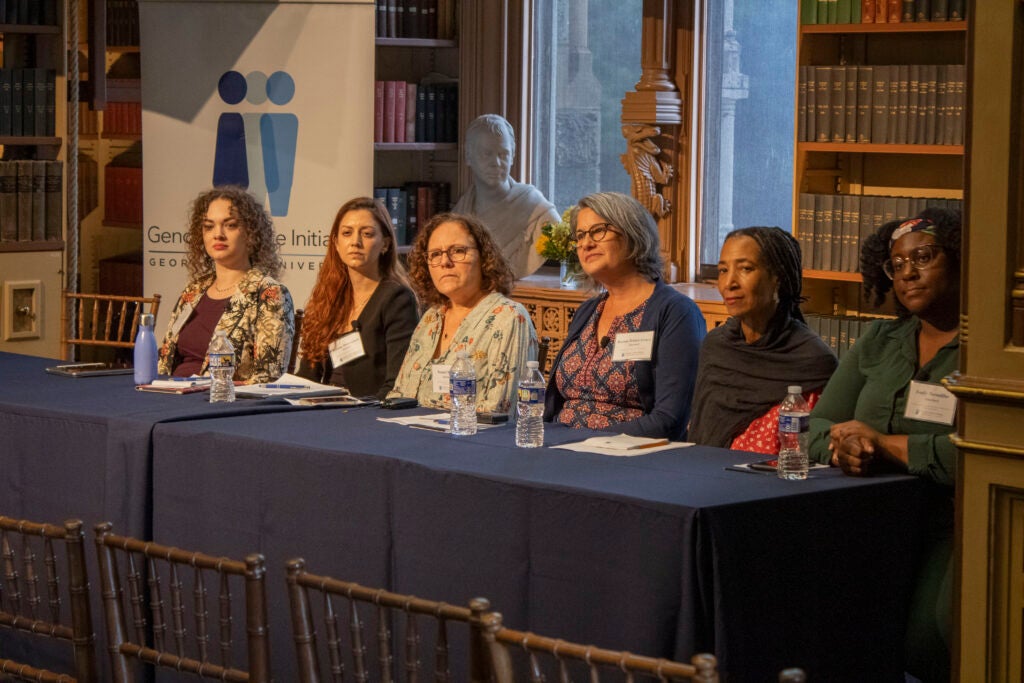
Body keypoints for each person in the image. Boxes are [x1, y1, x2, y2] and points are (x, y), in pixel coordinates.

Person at [808, 207, 962, 683]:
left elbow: (979, 454)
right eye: (896, 265)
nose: (908, 273)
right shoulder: (878, 339)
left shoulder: (997, 350)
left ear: (960, 260)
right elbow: (815, 427)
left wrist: (889, 446)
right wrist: (844, 449)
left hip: (950, 521)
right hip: (866, 514)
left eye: (924, 257)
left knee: (928, 635)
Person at [543, 192, 706, 440]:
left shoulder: (675, 312)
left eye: (598, 231)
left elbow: (669, 419)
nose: (586, 243)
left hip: (628, 458)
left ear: (633, 233)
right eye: (580, 235)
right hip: (560, 446)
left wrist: (584, 441)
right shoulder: (589, 310)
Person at [688, 226, 837, 452]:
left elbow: (816, 447)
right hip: (708, 475)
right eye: (722, 270)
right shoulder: (716, 346)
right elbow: (701, 434)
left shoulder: (812, 359)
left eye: (745, 269)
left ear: (778, 277)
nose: (729, 283)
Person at [387, 212, 537, 413]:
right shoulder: (432, 317)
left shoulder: (509, 317)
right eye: (435, 254)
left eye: (458, 251)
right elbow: (399, 395)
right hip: (409, 436)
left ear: (484, 257)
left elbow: (499, 412)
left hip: (471, 440)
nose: (445, 262)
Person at [158, 186, 295, 383]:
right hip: (171, 394)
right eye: (209, 226)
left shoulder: (269, 293)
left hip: (223, 403)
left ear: (251, 233)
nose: (218, 234)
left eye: (230, 225)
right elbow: (165, 359)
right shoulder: (194, 290)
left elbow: (269, 377)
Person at [294, 197, 419, 398]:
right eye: (346, 233)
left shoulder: (396, 298)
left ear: (385, 244)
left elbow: (397, 383)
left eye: (367, 234)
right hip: (321, 412)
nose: (355, 242)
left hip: (366, 415)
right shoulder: (328, 297)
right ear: (335, 243)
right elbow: (308, 377)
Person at [452, 114, 560, 280]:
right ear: (468, 156)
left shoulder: (536, 210)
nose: (496, 162)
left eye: (503, 154)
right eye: (486, 154)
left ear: (513, 156)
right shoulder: (459, 214)